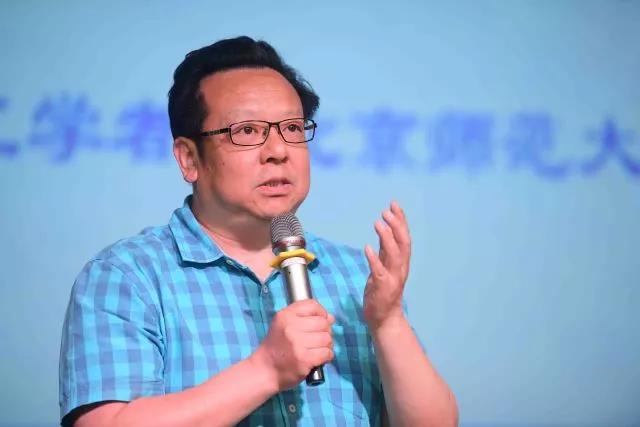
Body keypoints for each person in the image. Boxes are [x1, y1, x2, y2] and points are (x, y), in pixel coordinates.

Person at [59, 36, 458, 427]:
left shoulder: (357, 278)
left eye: (292, 128)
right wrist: (265, 370)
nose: (278, 151)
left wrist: (388, 322)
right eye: (247, 131)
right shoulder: (127, 277)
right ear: (189, 158)